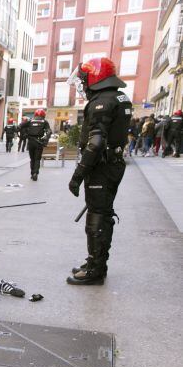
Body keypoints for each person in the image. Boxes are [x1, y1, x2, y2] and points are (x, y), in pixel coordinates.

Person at [66, 57, 132, 285]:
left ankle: (95, 270)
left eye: (84, 80)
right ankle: (95, 262)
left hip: (101, 168)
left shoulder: (101, 102)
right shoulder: (119, 97)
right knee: (102, 215)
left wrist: (77, 177)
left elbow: (95, 144)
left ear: (95, 77)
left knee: (97, 218)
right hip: (112, 164)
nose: (83, 85)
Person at [21, 109, 52, 181]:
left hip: (31, 142)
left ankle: (32, 173)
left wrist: (24, 134)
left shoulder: (30, 121)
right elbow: (49, 131)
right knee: (37, 159)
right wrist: (46, 138)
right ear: (43, 115)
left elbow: (20, 126)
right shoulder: (44, 122)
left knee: (32, 159)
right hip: (39, 142)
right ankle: (35, 173)